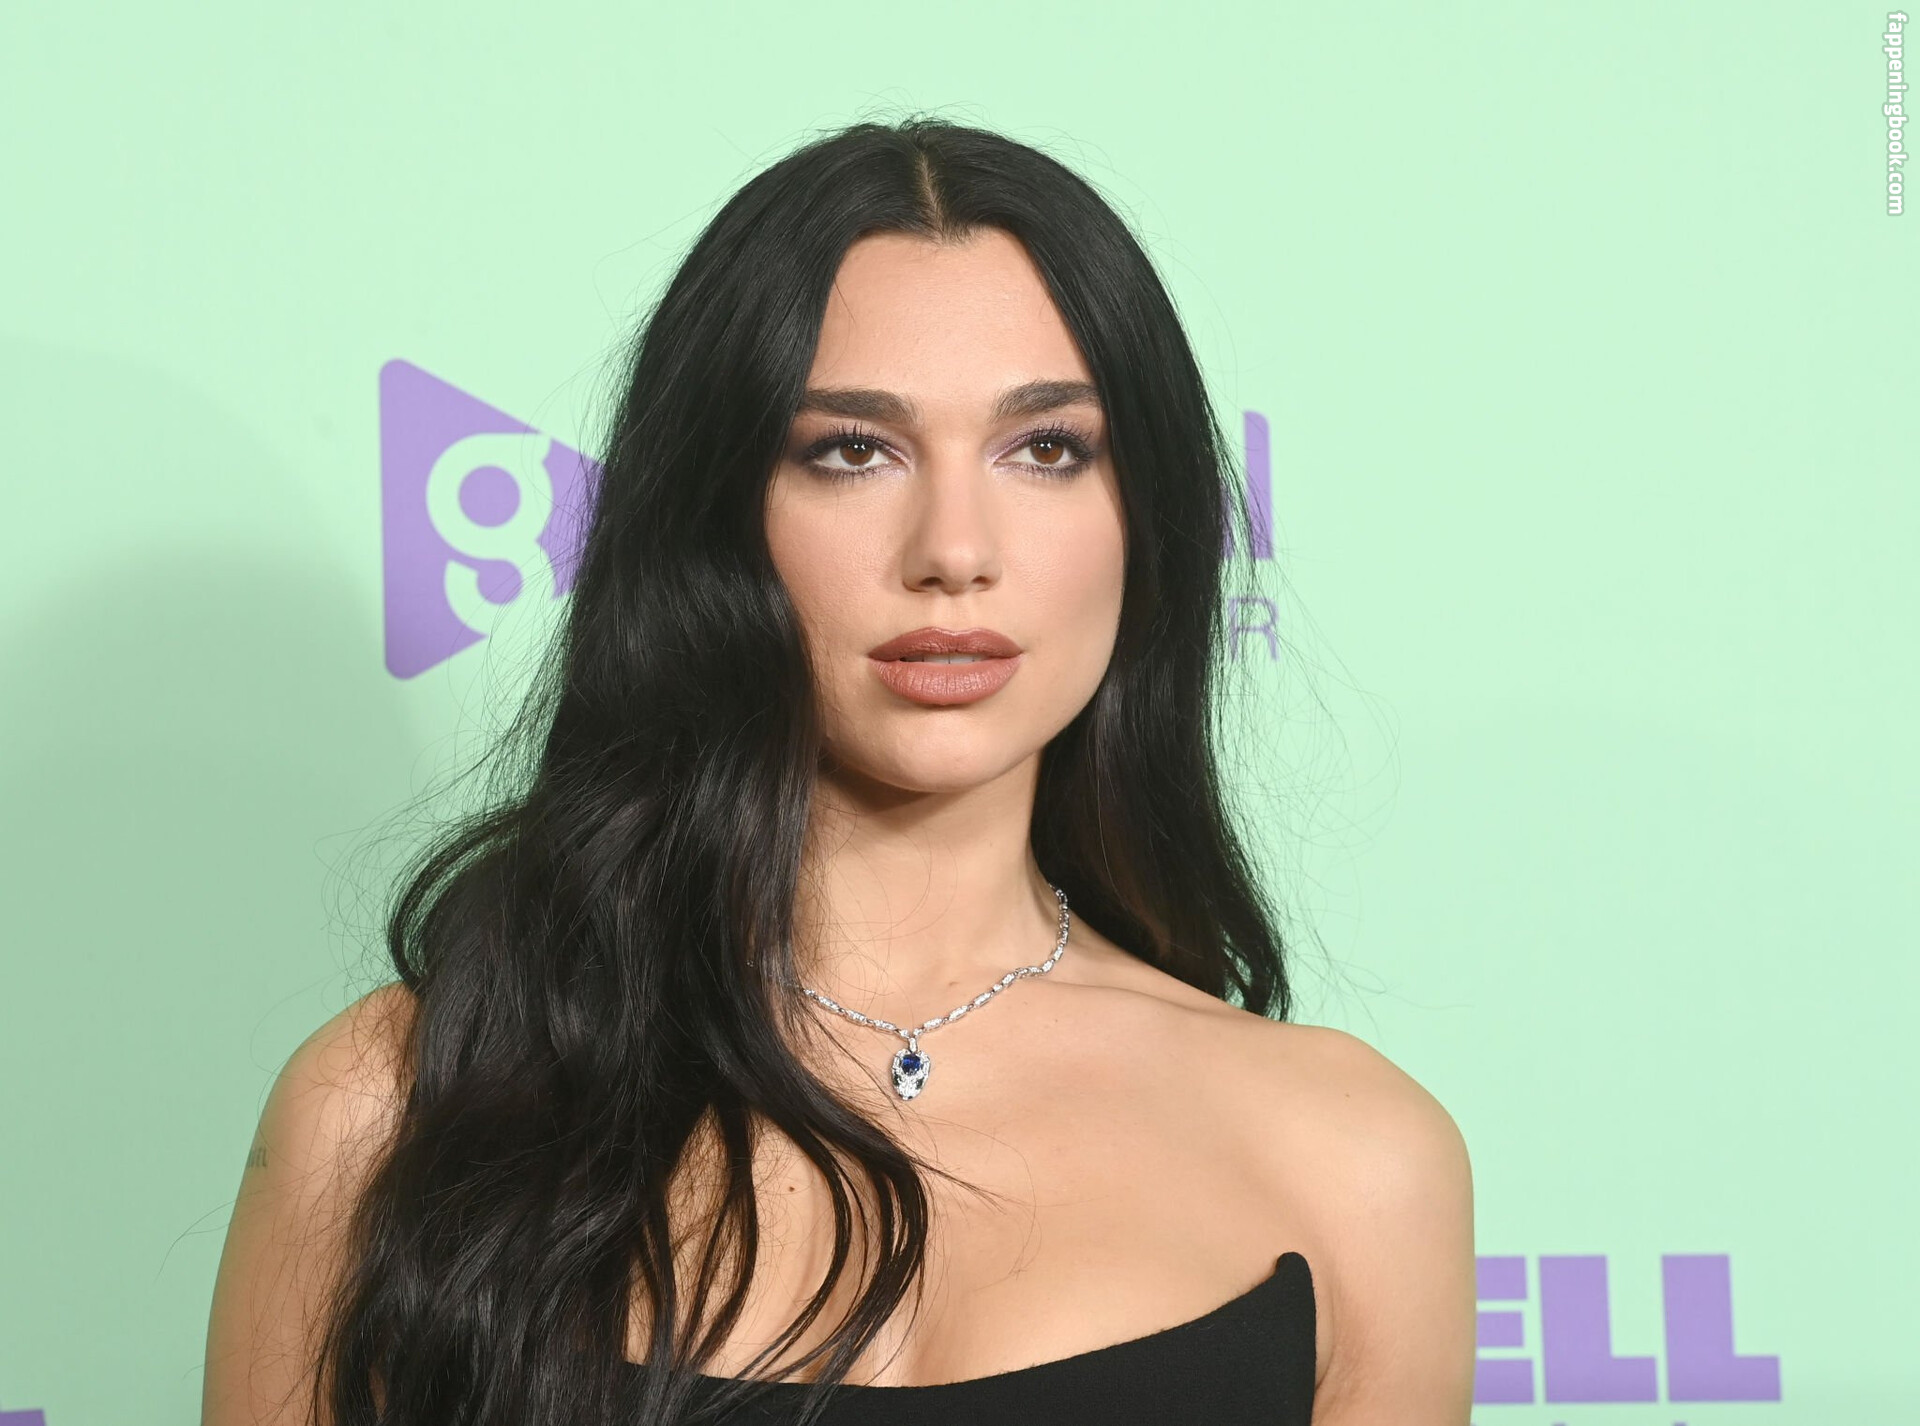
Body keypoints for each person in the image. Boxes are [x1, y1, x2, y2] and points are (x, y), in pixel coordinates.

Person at [201, 115, 1476, 1425]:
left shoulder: (1354, 1161)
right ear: (713, 514)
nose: (954, 550)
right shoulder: (391, 1108)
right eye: (852, 450)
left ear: (1145, 518)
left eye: (1047, 448)